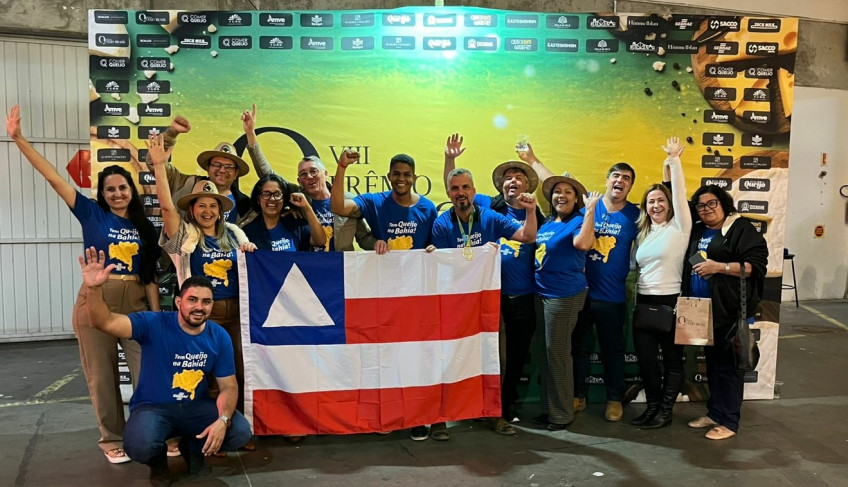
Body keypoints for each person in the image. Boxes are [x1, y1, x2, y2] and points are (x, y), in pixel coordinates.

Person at [6, 105, 160, 464]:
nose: (117, 193)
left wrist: (155, 316)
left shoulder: (144, 226)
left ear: (132, 191)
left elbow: (150, 275)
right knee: (102, 377)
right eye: (110, 189)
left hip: (136, 304)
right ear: (102, 194)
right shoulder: (91, 213)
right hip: (97, 301)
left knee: (147, 374)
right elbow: (53, 178)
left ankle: (149, 430)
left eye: (123, 188)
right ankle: (112, 439)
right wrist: (19, 139)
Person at [79, 247, 251, 485]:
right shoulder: (153, 323)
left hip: (195, 407)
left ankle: (193, 449)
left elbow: (229, 386)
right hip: (153, 408)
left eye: (206, 302)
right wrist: (93, 289)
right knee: (139, 444)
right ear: (179, 302)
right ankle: (158, 464)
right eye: (192, 300)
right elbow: (103, 321)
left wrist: (222, 420)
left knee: (239, 431)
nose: (199, 307)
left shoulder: (219, 336)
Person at [147, 134, 257, 436]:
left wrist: (250, 252)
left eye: (213, 205)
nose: (207, 210)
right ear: (192, 209)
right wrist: (160, 166)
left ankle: (236, 428)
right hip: (203, 316)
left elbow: (252, 268)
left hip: (237, 315)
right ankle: (205, 431)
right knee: (204, 374)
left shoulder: (235, 234)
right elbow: (167, 209)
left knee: (239, 372)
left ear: (220, 209)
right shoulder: (184, 236)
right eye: (201, 205)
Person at [442, 134, 545, 430]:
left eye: (519, 177)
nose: (513, 181)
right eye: (508, 177)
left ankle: (506, 403)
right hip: (490, 295)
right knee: (490, 353)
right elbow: (455, 189)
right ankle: (483, 405)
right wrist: (450, 158)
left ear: (527, 185)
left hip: (522, 295)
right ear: (501, 185)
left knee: (516, 355)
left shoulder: (536, 214)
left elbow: (530, 237)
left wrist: (533, 165)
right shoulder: (488, 206)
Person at [682, 185, 768, 440]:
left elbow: (755, 267)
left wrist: (719, 267)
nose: (706, 209)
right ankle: (715, 412)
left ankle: (730, 421)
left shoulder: (741, 229)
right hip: (702, 310)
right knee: (713, 365)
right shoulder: (698, 230)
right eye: (701, 205)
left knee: (729, 368)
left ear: (723, 203)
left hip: (729, 310)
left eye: (712, 203)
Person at [240, 104, 375, 250]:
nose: (309, 177)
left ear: (326, 174)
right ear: (299, 181)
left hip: (341, 263)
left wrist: (384, 246)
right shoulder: (298, 198)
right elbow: (267, 174)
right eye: (303, 174)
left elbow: (364, 238)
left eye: (313, 171)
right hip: (308, 262)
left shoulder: (348, 200)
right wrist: (251, 134)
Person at [630, 137, 692, 429]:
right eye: (651, 201)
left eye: (661, 200)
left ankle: (665, 411)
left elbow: (678, 192)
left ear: (669, 204)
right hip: (644, 302)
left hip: (672, 302)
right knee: (646, 361)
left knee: (672, 361)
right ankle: (652, 407)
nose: (656, 205)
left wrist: (674, 160)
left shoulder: (680, 227)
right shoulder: (642, 234)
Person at [572, 162, 640, 422]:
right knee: (579, 348)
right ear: (607, 180)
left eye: (626, 178)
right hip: (581, 293)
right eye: (616, 175)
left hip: (612, 297)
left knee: (613, 350)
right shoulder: (589, 206)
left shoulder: (636, 215)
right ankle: (578, 396)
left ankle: (614, 399)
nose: (620, 181)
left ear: (630, 186)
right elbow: (555, 185)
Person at [535, 174, 601, 430]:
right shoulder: (548, 223)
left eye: (568, 192)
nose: (561, 195)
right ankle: (548, 410)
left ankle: (561, 414)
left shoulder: (578, 221)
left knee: (558, 354)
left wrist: (590, 210)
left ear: (576, 200)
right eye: (557, 191)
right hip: (541, 293)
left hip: (563, 295)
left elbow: (583, 244)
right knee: (546, 353)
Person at [331, 150, 437, 255]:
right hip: (382, 265)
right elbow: (338, 208)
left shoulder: (428, 208)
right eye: (396, 174)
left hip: (417, 266)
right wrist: (342, 166)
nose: (401, 178)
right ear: (389, 176)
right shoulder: (374, 202)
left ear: (414, 178)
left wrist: (435, 248)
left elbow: (435, 245)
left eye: (407, 175)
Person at [149, 115, 251, 223]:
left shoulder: (246, 206)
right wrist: (171, 133)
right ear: (207, 167)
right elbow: (154, 164)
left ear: (236, 172)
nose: (222, 170)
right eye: (217, 164)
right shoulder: (184, 184)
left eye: (228, 167)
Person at [240, 174, 327, 251]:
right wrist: (247, 249)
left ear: (284, 198)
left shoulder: (295, 223)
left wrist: (306, 207)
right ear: (258, 199)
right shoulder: (248, 231)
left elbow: (320, 242)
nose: (272, 199)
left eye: (277, 194)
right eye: (266, 194)